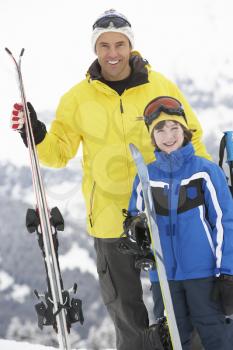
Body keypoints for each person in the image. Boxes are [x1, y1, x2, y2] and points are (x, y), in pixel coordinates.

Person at [10, 9, 211, 350]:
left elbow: (193, 138)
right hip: (108, 218)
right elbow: (58, 153)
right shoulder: (77, 98)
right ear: (95, 49)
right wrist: (38, 135)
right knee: (125, 313)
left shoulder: (160, 87)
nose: (113, 53)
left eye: (120, 44)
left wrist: (204, 188)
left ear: (131, 45)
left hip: (164, 213)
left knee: (177, 309)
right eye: (105, 45)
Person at [127, 96, 233, 349]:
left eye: (174, 127)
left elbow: (225, 223)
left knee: (216, 335)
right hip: (163, 276)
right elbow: (136, 218)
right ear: (153, 137)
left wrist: (227, 272)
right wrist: (135, 234)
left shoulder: (205, 172)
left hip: (204, 273)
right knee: (174, 339)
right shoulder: (146, 176)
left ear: (184, 131)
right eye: (160, 130)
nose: (168, 135)